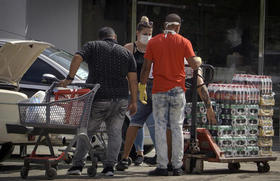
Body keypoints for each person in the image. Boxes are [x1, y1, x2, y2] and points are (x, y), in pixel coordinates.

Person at [60, 27, 138, 176]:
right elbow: (133, 80)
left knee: (86, 132)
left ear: (100, 37)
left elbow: (77, 57)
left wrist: (69, 78)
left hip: (99, 98)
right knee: (115, 134)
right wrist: (133, 101)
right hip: (120, 99)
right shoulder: (126, 53)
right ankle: (109, 168)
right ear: (114, 37)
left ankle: (77, 166)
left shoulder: (92, 46)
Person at [139, 13, 202, 176]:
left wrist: (142, 87)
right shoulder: (184, 41)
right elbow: (194, 64)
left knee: (160, 126)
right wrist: (198, 60)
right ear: (178, 27)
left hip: (159, 89)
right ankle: (177, 167)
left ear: (165, 26)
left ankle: (161, 166)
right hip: (178, 90)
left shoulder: (153, 42)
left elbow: (146, 68)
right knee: (177, 127)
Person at [116, 16, 156, 170]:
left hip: (149, 89)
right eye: (145, 33)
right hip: (132, 90)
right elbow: (121, 70)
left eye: (150, 33)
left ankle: (159, 154)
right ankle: (139, 153)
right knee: (136, 122)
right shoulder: (129, 48)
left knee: (152, 123)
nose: (148, 36)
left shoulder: (154, 46)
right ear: (137, 33)